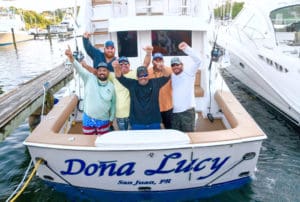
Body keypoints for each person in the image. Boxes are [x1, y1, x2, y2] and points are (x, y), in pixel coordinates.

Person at [65, 46, 116, 135]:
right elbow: (79, 68)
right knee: (89, 141)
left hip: (104, 120)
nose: (102, 72)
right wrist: (71, 57)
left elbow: (113, 104)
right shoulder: (89, 78)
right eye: (99, 70)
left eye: (104, 70)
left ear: (108, 72)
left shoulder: (111, 86)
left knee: (102, 142)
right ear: (96, 72)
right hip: (88, 119)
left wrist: (111, 119)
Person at [113, 64, 170, 130]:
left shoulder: (155, 83)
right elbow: (119, 77)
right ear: (137, 77)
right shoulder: (132, 84)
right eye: (140, 75)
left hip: (154, 122)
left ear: (148, 75)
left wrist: (162, 67)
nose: (143, 77)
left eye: (145, 75)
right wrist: (116, 66)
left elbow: (167, 76)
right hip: (137, 123)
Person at [111, 46, 152, 130]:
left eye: (126, 64)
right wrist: (114, 66)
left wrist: (148, 53)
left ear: (129, 65)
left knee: (133, 138)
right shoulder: (113, 75)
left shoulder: (134, 74)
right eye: (121, 64)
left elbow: (145, 64)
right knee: (124, 139)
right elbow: (98, 73)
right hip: (120, 115)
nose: (123, 65)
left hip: (133, 114)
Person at [171, 42, 202, 132]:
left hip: (187, 112)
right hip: (174, 112)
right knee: (175, 136)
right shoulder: (171, 75)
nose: (175, 67)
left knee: (189, 136)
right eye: (173, 65)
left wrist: (186, 49)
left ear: (182, 65)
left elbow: (198, 61)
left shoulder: (189, 72)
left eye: (177, 64)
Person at [148, 52, 173, 129]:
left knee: (169, 128)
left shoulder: (168, 70)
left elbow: (169, 74)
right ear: (152, 62)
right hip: (154, 107)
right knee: (156, 129)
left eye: (160, 60)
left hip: (167, 106)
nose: (158, 62)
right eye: (156, 60)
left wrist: (161, 66)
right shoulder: (148, 71)